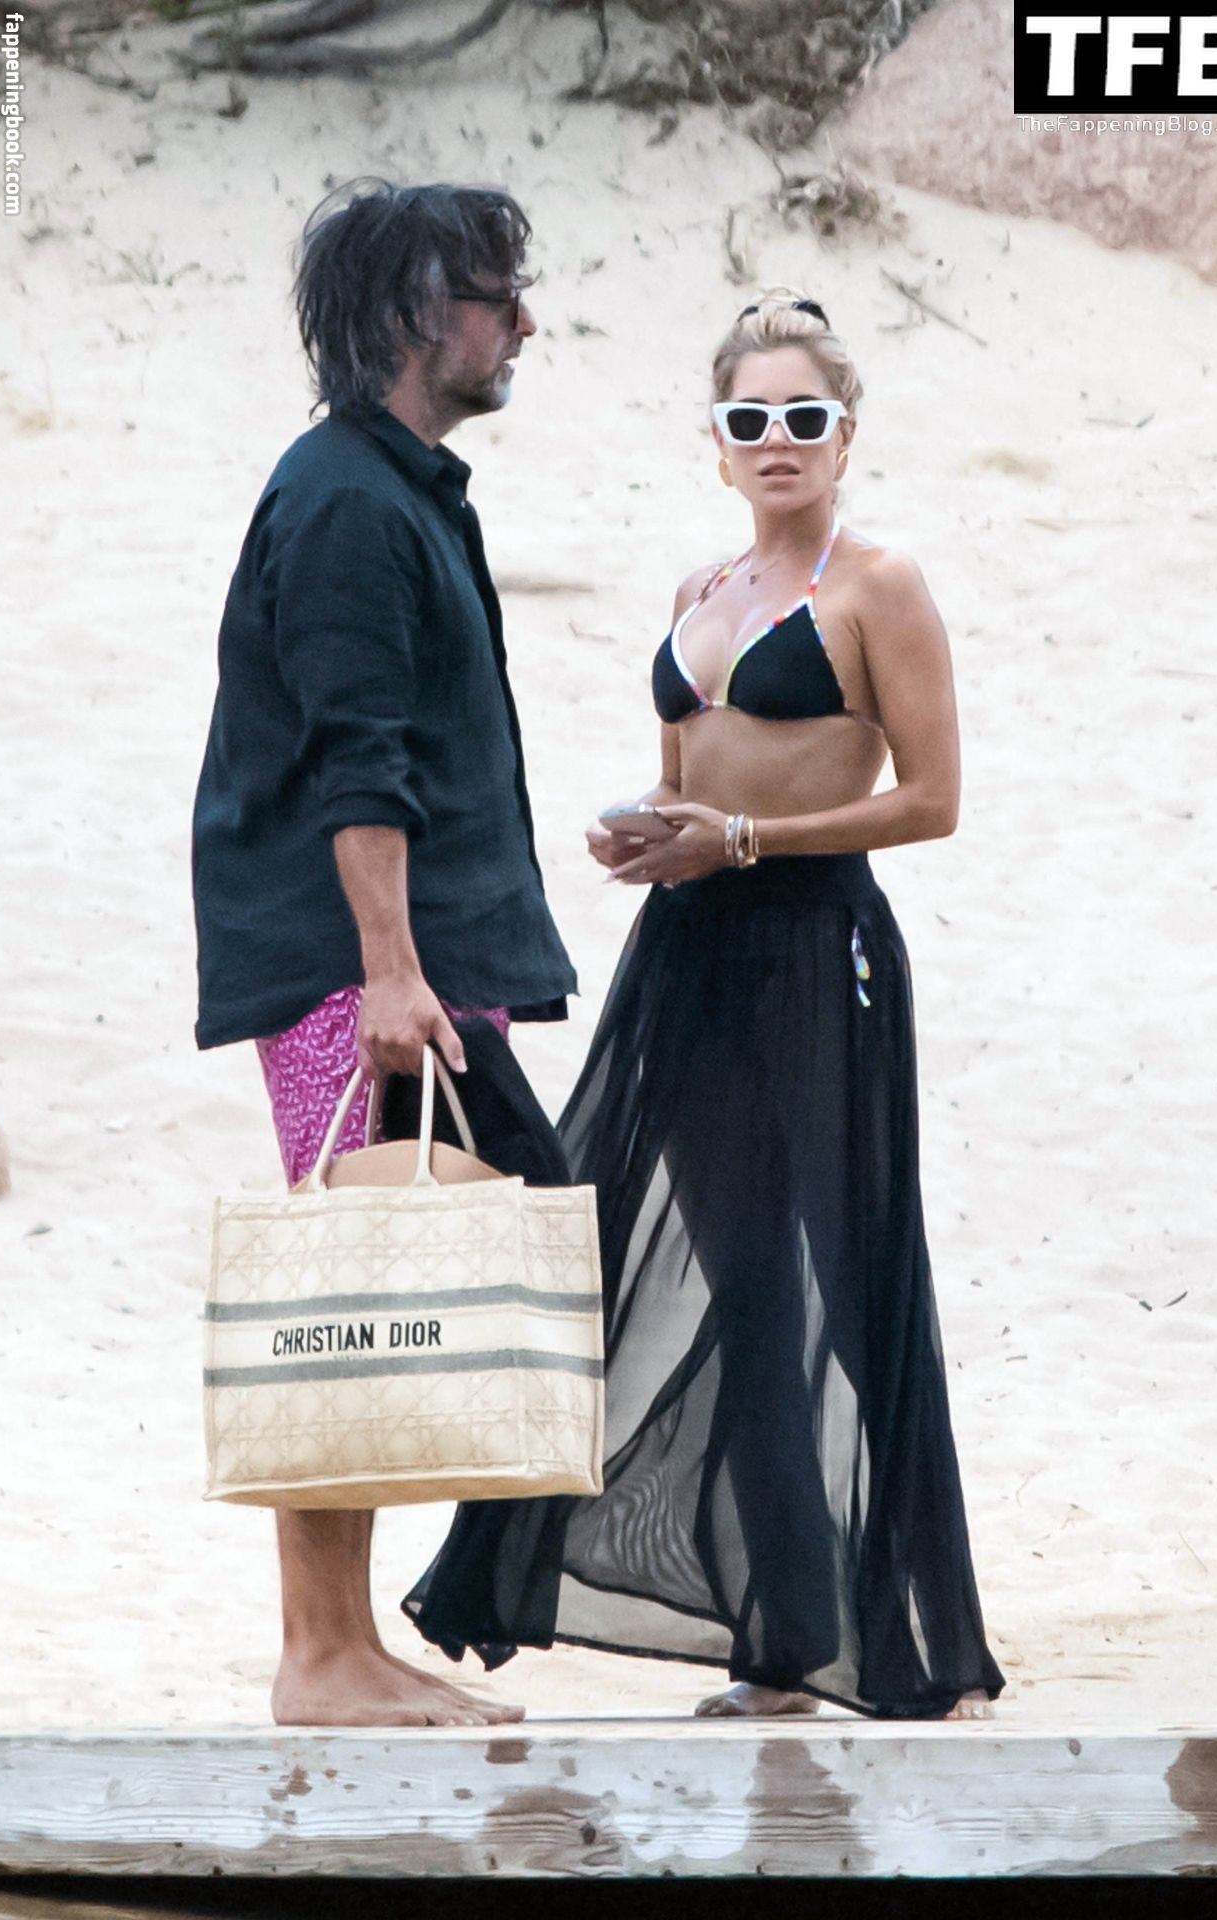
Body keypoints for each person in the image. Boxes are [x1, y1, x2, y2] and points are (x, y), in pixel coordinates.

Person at [404, 291, 1006, 1721]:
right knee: (728, 1275)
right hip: (688, 951)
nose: (776, 438)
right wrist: (648, 828)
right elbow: (686, 781)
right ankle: (786, 1640)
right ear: (720, 445)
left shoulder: (879, 587)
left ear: (844, 436)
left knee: (850, 1275)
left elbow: (929, 801)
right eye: (750, 418)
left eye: (804, 416)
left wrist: (744, 841)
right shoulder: (697, 593)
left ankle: (912, 1636)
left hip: (816, 947)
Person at [191, 179, 577, 1728]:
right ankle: (322, 1655)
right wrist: (391, 974)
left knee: (407, 1277)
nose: (523, 323)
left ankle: (356, 1641)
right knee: (344, 1295)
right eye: (496, 297)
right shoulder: (347, 501)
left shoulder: (388, 487)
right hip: (357, 972)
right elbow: (357, 762)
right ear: (420, 315)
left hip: (402, 962)